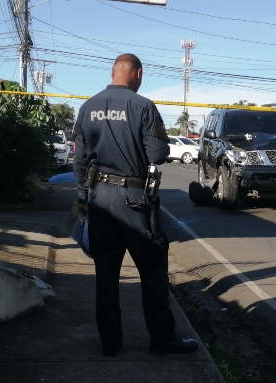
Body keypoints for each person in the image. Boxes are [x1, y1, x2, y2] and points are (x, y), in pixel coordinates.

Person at [73, 53, 199, 357]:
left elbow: (78, 163)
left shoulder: (87, 107)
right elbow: (157, 154)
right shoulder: (143, 106)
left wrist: (86, 196)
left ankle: (110, 343)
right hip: (134, 200)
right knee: (152, 271)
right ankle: (162, 338)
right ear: (137, 73)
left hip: (99, 198)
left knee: (106, 275)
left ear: (114, 71)